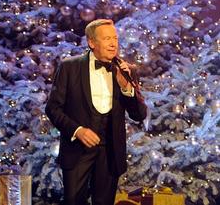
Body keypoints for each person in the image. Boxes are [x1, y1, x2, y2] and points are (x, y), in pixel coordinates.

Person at [45, 19, 147, 205]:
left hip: (110, 151)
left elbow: (139, 115)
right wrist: (78, 130)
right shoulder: (70, 67)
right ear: (92, 42)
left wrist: (126, 87)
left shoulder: (127, 71)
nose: (113, 43)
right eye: (107, 38)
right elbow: (53, 108)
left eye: (115, 38)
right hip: (78, 150)